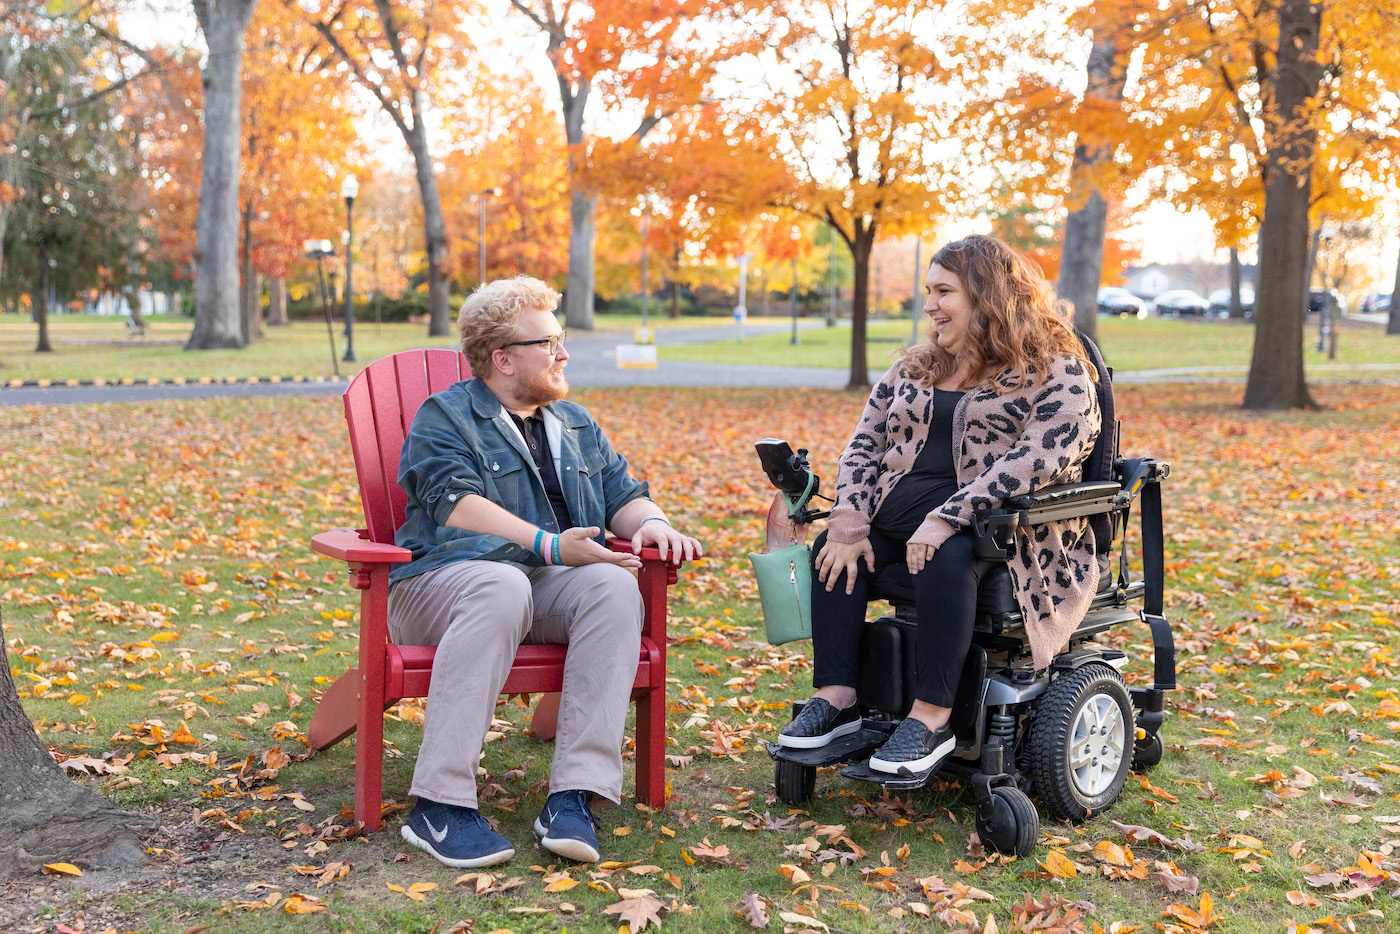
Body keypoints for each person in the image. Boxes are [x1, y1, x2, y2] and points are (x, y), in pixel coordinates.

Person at [389, 276, 702, 869]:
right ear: (502, 359)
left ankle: (572, 796)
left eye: (560, 339)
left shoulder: (575, 423)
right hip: (442, 586)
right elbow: (450, 500)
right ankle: (438, 803)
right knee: (502, 583)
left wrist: (652, 521)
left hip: (538, 588)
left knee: (613, 585)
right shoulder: (447, 416)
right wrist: (550, 545)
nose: (563, 353)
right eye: (548, 342)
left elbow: (622, 493)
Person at [776, 235, 1102, 777]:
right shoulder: (915, 368)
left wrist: (947, 517)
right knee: (831, 556)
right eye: (928, 290)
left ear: (988, 295)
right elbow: (864, 445)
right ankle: (838, 701)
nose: (929, 305)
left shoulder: (1057, 371)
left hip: (1001, 533)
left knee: (946, 556)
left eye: (944, 290)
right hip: (896, 518)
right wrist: (849, 520)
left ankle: (930, 719)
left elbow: (1038, 460)